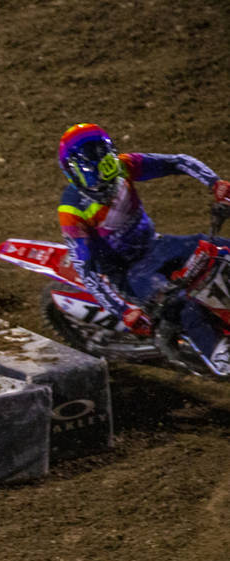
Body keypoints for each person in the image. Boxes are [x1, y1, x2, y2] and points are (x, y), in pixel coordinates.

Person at [56, 122, 230, 373]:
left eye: (104, 159)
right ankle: (220, 357)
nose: (103, 170)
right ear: (74, 170)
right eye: (94, 164)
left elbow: (178, 162)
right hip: (127, 272)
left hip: (156, 246)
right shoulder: (71, 210)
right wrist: (123, 310)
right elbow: (88, 271)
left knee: (219, 248)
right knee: (181, 305)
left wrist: (216, 184)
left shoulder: (123, 166)